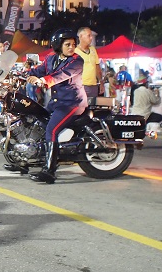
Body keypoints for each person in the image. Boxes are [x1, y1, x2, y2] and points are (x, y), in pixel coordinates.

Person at [24, 29, 86, 184]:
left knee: (51, 129)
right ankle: (23, 161)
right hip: (56, 102)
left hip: (72, 103)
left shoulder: (77, 61)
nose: (71, 47)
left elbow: (62, 75)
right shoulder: (51, 58)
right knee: (35, 119)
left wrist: (43, 81)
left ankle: (49, 171)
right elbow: (38, 70)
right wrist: (20, 74)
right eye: (67, 44)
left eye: (73, 44)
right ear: (58, 45)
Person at [75, 27, 103, 102]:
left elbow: (97, 66)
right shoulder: (75, 52)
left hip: (93, 86)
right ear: (81, 37)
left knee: (92, 108)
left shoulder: (93, 50)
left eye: (91, 36)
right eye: (89, 36)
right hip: (81, 86)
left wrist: (101, 82)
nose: (91, 38)